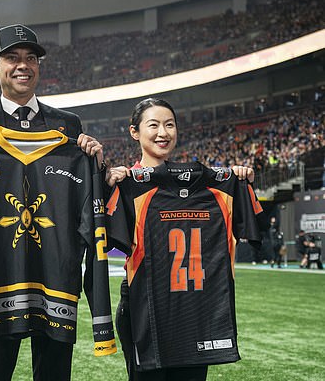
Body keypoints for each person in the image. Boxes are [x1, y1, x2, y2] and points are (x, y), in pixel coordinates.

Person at [0, 24, 110, 381]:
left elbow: (85, 197)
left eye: (31, 58)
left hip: (54, 279)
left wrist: (98, 164)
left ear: (39, 66)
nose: (23, 65)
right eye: (12, 58)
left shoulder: (68, 125)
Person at [105, 98, 257, 381]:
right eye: (154, 125)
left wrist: (238, 177)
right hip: (145, 306)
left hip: (197, 307)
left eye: (170, 124)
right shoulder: (125, 184)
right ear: (134, 132)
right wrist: (109, 185)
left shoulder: (215, 184)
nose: (163, 132)